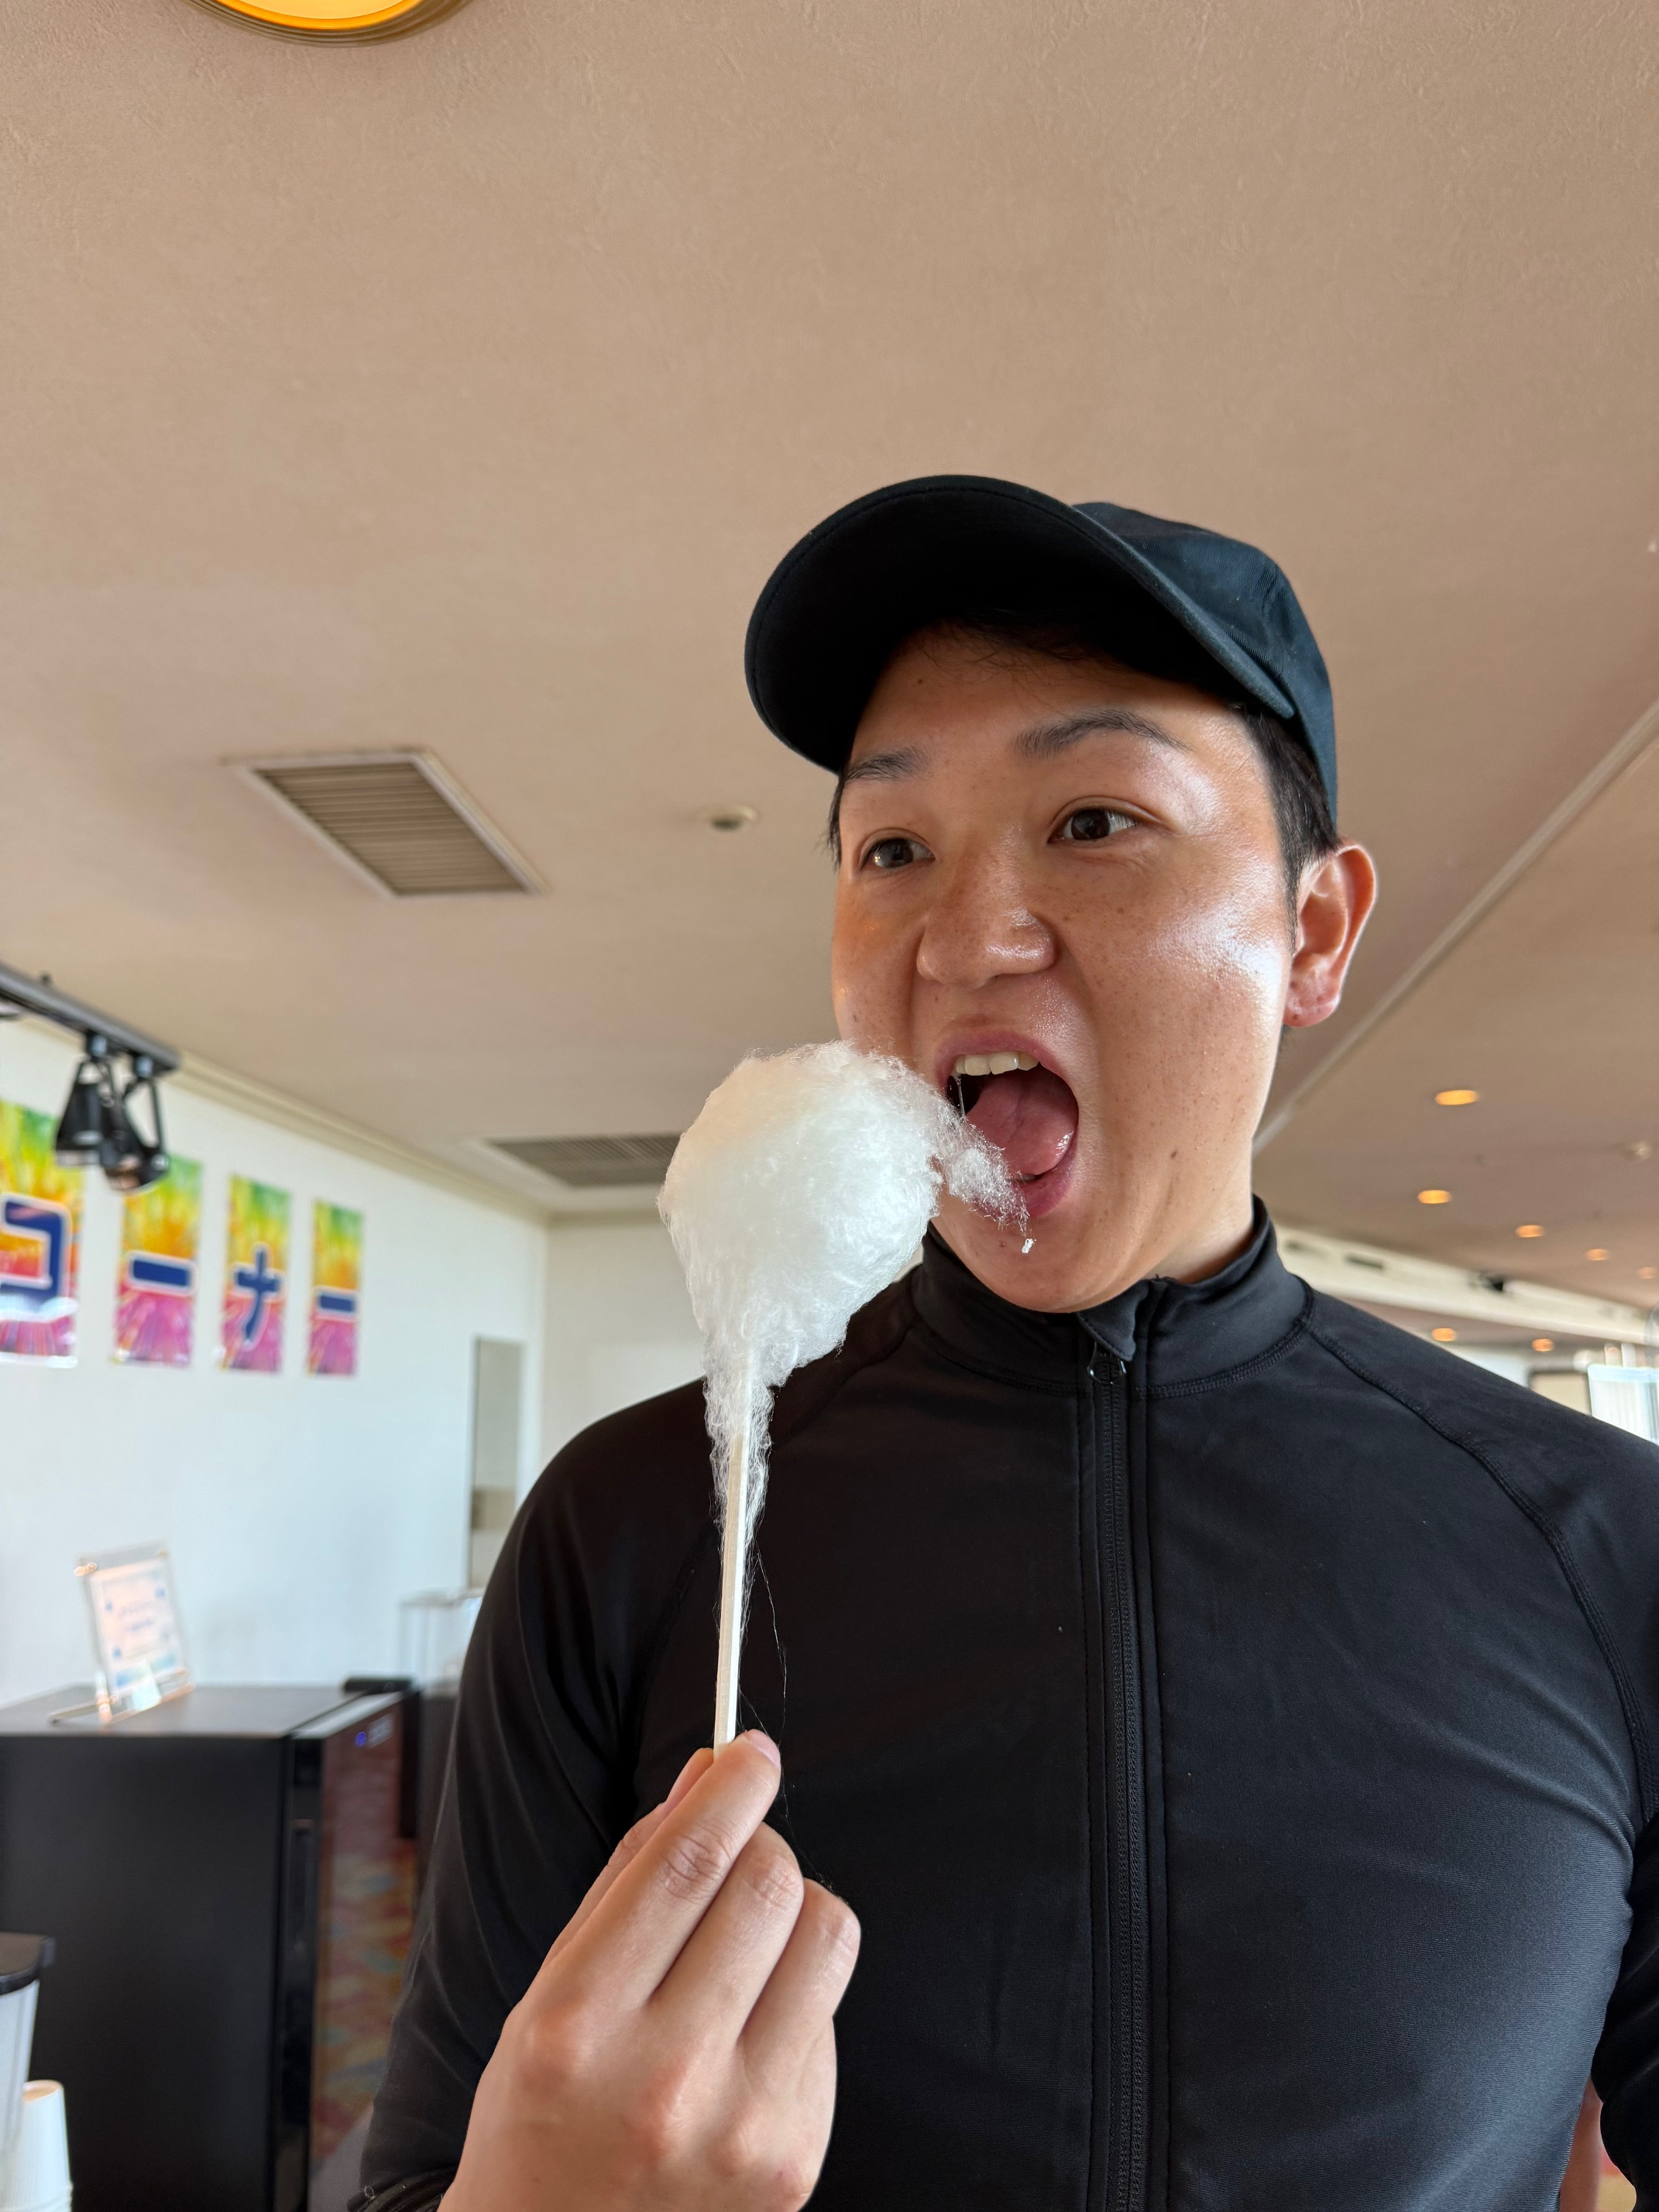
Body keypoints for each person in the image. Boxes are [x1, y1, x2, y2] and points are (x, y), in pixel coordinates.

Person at [354, 478, 1658, 2212]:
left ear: (1314, 930)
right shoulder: (639, 1522)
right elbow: (420, 2173)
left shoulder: (1600, 1547)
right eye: (891, 849)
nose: (965, 936)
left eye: (1095, 820)